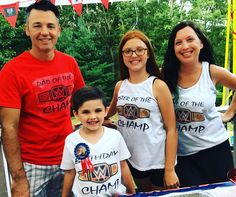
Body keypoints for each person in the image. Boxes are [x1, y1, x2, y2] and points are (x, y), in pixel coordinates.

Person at [0, 0, 85, 196]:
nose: (44, 32)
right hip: (33, 164)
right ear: (27, 30)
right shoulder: (11, 71)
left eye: (50, 26)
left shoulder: (69, 63)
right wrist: (19, 178)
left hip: (71, 156)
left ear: (59, 30)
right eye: (37, 25)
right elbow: (9, 126)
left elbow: (85, 105)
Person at [162, 21, 235, 187]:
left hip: (216, 151)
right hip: (183, 157)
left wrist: (230, 112)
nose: (185, 46)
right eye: (178, 42)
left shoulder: (211, 71)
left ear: (201, 43)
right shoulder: (166, 75)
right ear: (173, 49)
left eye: (190, 39)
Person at [107, 29, 179, 192]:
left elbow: (172, 129)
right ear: (122, 55)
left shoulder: (158, 86)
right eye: (128, 51)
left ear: (148, 54)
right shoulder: (120, 86)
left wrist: (169, 170)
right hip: (133, 160)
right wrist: (94, 118)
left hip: (158, 162)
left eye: (140, 49)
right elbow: (109, 112)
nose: (134, 55)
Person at [60, 86, 135, 197]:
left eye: (98, 110)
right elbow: (70, 172)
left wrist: (132, 192)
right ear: (76, 114)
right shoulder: (71, 140)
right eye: (86, 112)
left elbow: (123, 165)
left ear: (105, 111)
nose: (93, 116)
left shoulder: (115, 135)